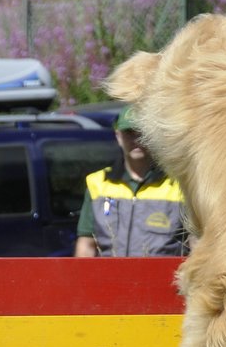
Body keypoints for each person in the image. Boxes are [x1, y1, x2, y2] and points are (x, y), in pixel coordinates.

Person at [74, 107, 187, 257]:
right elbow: (86, 245)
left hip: (161, 280)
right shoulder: (98, 183)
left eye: (142, 132)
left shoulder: (179, 185)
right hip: (111, 279)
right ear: (118, 136)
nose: (136, 140)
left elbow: (196, 245)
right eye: (129, 133)